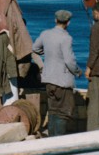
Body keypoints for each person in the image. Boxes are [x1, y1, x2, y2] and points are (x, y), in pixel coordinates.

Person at [32, 9, 82, 137]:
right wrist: (77, 71)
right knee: (63, 112)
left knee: (53, 110)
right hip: (62, 81)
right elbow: (69, 61)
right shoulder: (66, 38)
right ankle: (58, 139)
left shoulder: (45, 34)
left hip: (48, 79)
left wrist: (48, 52)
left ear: (55, 20)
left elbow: (35, 48)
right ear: (68, 23)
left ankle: (52, 137)